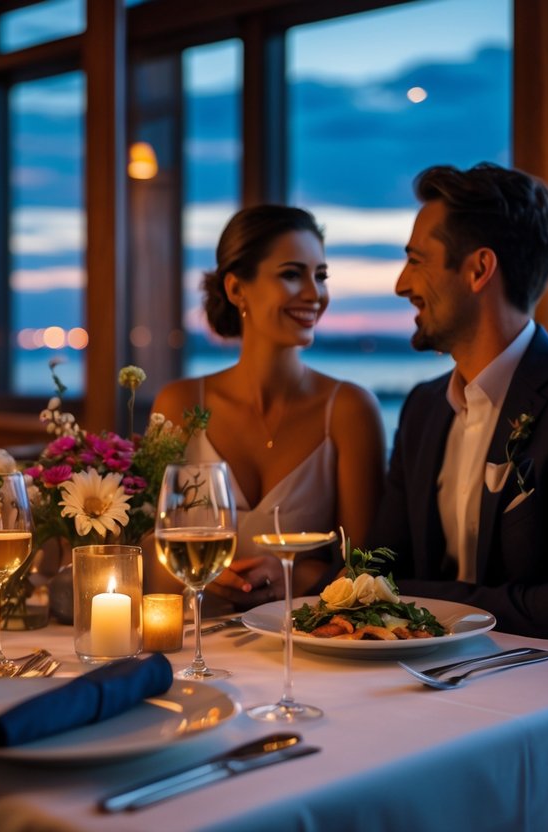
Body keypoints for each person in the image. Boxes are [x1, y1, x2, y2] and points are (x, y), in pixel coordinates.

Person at [370, 163, 548, 650]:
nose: (401, 283)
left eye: (417, 260)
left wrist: (423, 602)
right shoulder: (422, 410)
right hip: (419, 682)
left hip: (546, 691)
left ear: (479, 269)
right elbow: (382, 568)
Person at [152, 205, 386, 609]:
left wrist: (299, 577)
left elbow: (368, 572)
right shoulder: (179, 405)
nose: (315, 294)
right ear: (236, 289)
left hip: (304, 652)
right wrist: (196, 576)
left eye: (321, 276)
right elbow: (146, 558)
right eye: (293, 274)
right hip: (196, 648)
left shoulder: (349, 410)